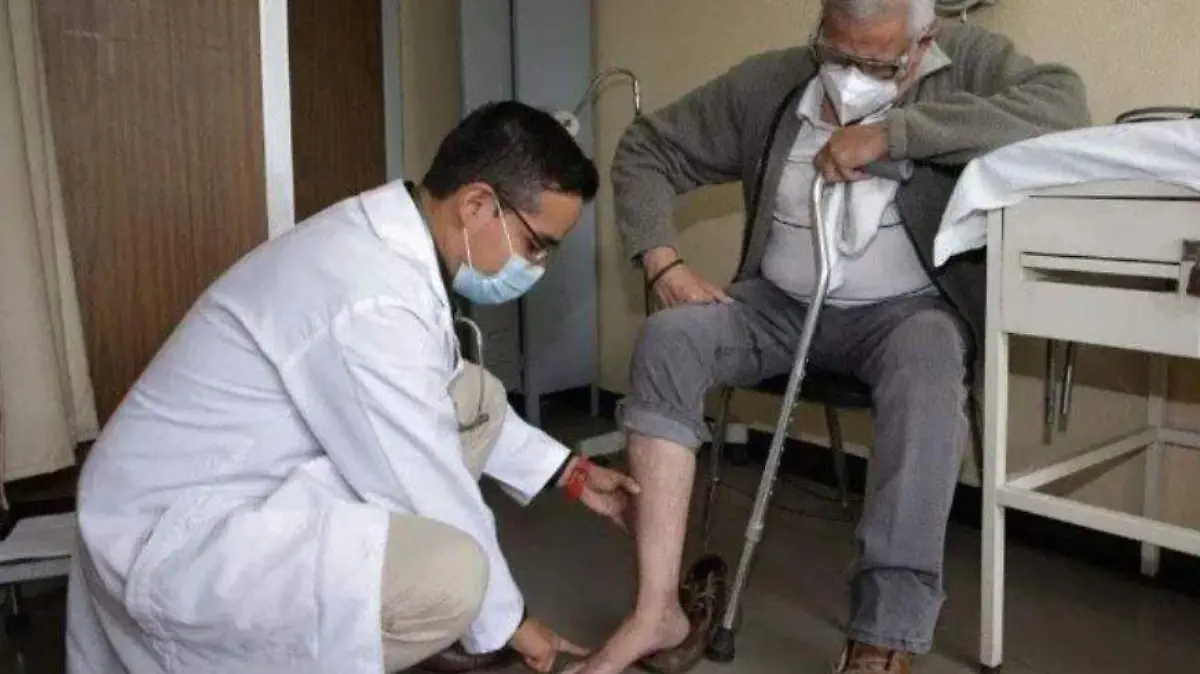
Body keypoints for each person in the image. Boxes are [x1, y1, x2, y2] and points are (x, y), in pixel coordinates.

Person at [576, 1, 1091, 674]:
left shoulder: (967, 61)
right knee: (669, 340)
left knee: (931, 359)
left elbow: (1063, 106)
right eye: (836, 54)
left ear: (923, 41)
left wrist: (894, 135)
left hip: (903, 315)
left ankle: (885, 631)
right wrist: (661, 261)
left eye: (876, 63)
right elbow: (649, 147)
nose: (849, 76)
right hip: (778, 305)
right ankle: (656, 611)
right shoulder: (774, 81)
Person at [66, 101, 635, 674]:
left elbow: (444, 398)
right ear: (476, 205)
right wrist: (511, 624)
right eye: (537, 245)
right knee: (454, 578)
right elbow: (426, 483)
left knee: (474, 398)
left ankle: (397, 627)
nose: (537, 266)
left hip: (243, 475)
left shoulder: (392, 243)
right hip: (173, 533)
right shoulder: (371, 297)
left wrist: (571, 473)